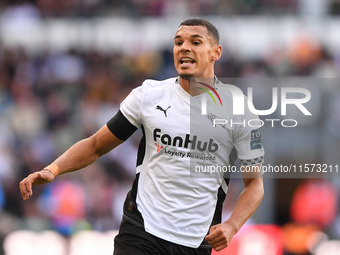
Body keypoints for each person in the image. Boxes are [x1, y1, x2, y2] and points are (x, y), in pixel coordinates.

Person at [19, 18, 264, 254]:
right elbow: (95, 146)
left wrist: (232, 226)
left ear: (216, 52)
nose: (184, 48)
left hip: (195, 241)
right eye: (178, 42)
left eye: (195, 42)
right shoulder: (148, 96)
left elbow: (254, 184)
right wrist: (54, 169)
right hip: (141, 230)